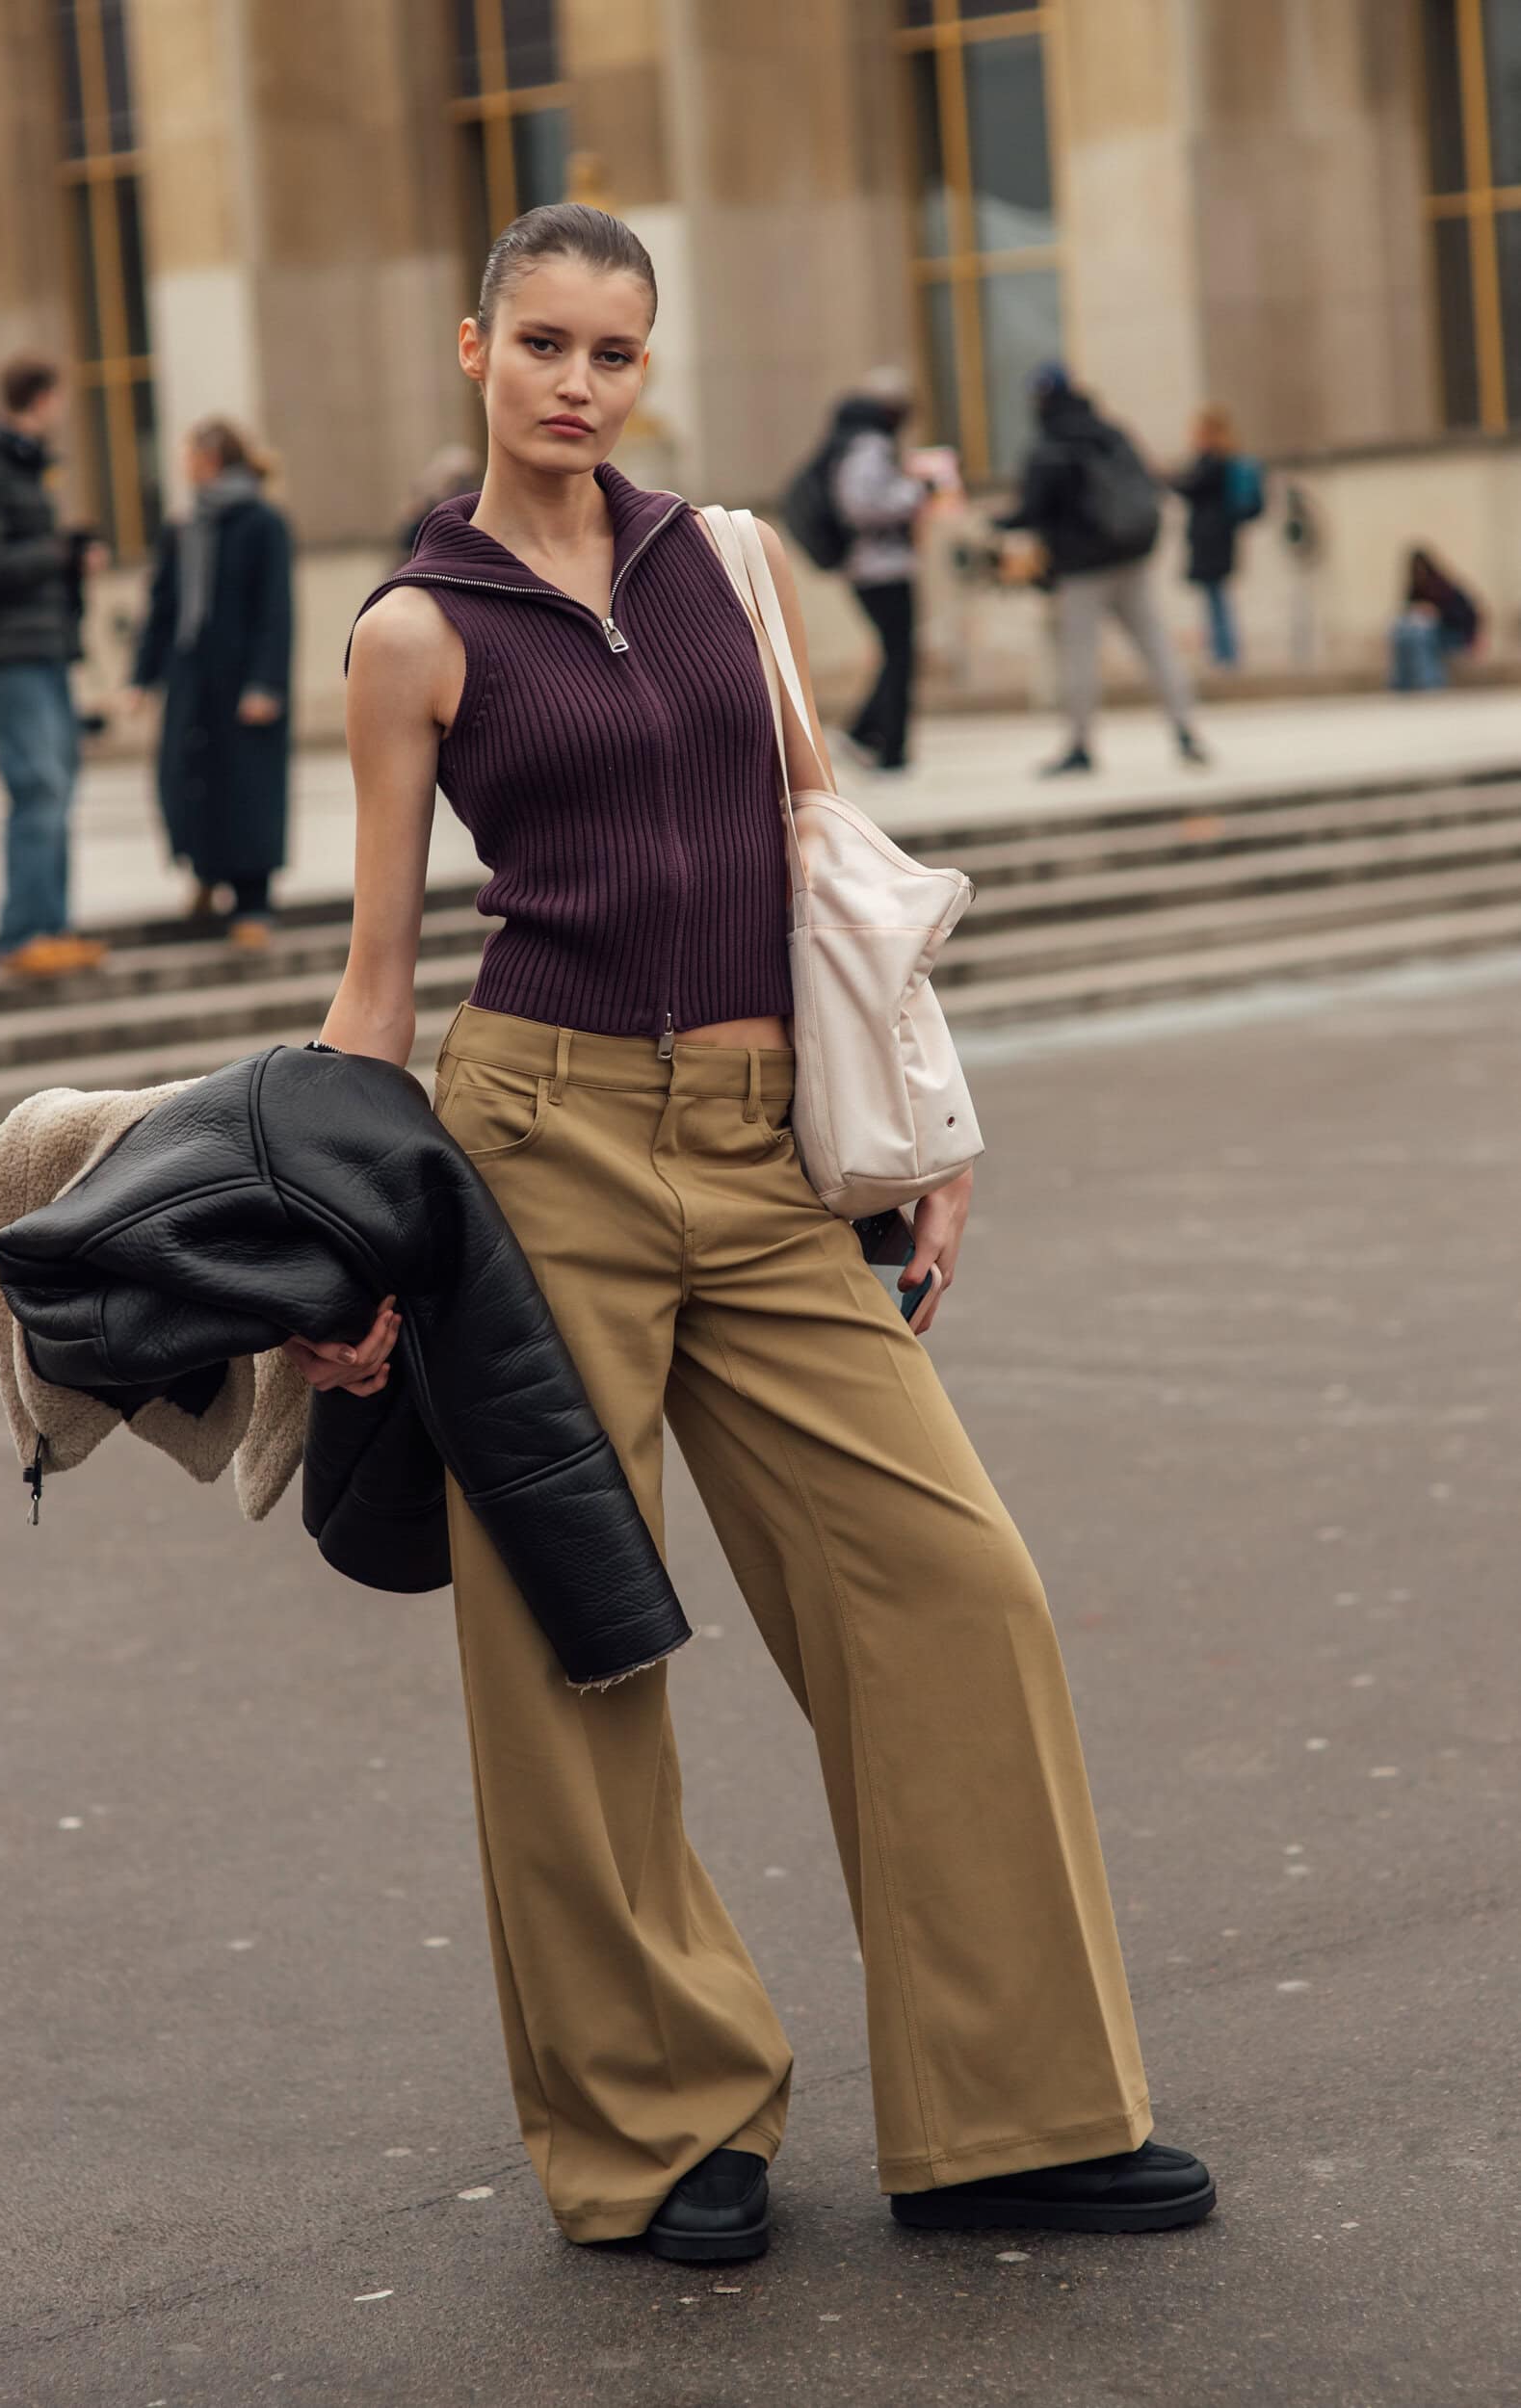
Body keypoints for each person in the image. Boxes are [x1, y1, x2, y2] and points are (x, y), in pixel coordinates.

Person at [285, 203, 1215, 2264]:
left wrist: (922, 1113)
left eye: (610, 351)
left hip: (768, 1148)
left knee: (948, 1581)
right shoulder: (410, 629)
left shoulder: (727, 562)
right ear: (473, 348)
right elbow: (371, 978)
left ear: (642, 364)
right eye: (538, 342)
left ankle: (1016, 2105)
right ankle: (655, 2121)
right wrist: (344, 1246)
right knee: (567, 1643)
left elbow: (825, 850)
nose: (573, 383)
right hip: (535, 1149)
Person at [0, 353, 110, 979]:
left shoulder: (21, 468)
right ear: (41, 399)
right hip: (2, 654)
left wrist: (65, 559)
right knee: (39, 785)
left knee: (58, 785)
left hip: (40, 648)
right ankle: (24, 933)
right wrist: (57, 553)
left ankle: (52, 927)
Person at [126, 418, 293, 945]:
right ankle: (205, 874)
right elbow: (162, 606)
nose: (183, 465)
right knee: (186, 779)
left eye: (190, 456)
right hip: (191, 676)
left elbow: (276, 611)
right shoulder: (183, 526)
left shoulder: (263, 522)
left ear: (213, 459)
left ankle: (253, 903)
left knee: (246, 785)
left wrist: (266, 683)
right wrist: (142, 676)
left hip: (243, 679)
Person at [996, 363, 1208, 775]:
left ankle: (1079, 745)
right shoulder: (1111, 433)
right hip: (1130, 558)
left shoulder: (1050, 445)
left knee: (1080, 657)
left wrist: (999, 524)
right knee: (1156, 646)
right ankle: (1186, 730)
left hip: (1082, 569)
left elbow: (1033, 510)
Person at [826, 369, 931, 773]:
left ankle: (868, 733)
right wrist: (916, 493)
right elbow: (863, 504)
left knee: (897, 654)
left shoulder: (863, 444)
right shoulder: (868, 447)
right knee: (900, 655)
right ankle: (886, 745)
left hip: (878, 566)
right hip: (881, 568)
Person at [1172, 405, 1262, 668]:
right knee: (1216, 596)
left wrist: (1162, 475)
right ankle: (1224, 652)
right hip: (1221, 536)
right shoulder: (1226, 459)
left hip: (1210, 538)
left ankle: (1224, 655)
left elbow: (1189, 486)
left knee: (1216, 598)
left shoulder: (1213, 462)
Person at [1389, 547, 1482, 692]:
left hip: (1451, 634)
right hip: (1423, 634)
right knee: (1401, 632)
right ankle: (1402, 685)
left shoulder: (1445, 588)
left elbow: (1465, 616)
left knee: (1420, 637)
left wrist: (1436, 613)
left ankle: (1430, 684)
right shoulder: (1415, 590)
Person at [395, 441, 483, 562]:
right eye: (456, 479)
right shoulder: (425, 500)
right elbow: (407, 541)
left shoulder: (473, 502)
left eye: (467, 478)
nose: (461, 485)